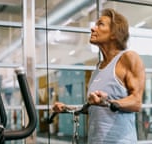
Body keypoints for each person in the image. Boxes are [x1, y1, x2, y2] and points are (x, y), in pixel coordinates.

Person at [52, 8, 146, 144]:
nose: (92, 29)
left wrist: (107, 103)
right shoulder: (98, 68)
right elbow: (93, 108)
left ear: (114, 33)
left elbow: (136, 102)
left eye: (100, 24)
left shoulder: (128, 58)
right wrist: (67, 108)